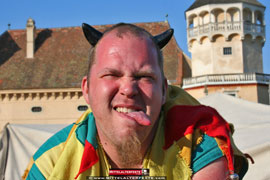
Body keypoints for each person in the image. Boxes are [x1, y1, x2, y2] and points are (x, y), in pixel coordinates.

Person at [23, 23, 248, 180]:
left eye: (144, 77)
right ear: (87, 90)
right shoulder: (51, 164)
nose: (129, 89)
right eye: (111, 74)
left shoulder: (198, 147)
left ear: (164, 91)